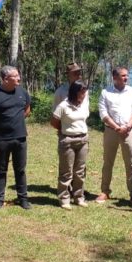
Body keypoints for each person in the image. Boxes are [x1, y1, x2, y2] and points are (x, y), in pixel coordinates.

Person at [0, 66, 32, 210]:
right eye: (15, 76)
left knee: (20, 169)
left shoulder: (23, 93)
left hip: (20, 138)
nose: (19, 78)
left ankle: (23, 198)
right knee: (1, 169)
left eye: (18, 75)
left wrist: (17, 122)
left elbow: (27, 109)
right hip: (2, 139)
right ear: (5, 79)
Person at [96, 67, 132, 206]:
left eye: (127, 75)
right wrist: (116, 127)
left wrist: (127, 126)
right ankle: (105, 191)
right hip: (111, 131)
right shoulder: (105, 92)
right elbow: (103, 113)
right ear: (115, 77)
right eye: (123, 76)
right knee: (108, 162)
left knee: (131, 163)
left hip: (129, 132)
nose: (126, 78)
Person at [51, 80, 90, 210]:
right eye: (82, 93)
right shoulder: (63, 106)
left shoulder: (83, 104)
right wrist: (65, 131)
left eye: (85, 93)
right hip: (68, 141)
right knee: (66, 171)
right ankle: (64, 198)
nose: (84, 95)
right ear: (74, 92)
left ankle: (79, 197)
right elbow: (54, 122)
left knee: (80, 171)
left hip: (83, 140)